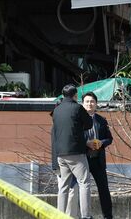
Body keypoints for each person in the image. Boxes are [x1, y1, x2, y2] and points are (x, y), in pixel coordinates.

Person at [51, 84, 94, 218]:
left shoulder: (56, 110)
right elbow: (89, 124)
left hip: (60, 154)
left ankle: (60, 215)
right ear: (75, 95)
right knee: (84, 182)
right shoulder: (77, 107)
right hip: (76, 152)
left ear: (63, 95)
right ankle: (86, 216)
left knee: (64, 185)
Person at [81, 92, 114, 219]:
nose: (90, 104)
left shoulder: (101, 120)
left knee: (104, 189)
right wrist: (86, 144)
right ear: (83, 104)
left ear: (96, 104)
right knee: (82, 189)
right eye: (87, 101)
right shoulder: (77, 119)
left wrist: (102, 143)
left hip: (98, 160)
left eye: (92, 101)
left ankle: (108, 216)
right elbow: (75, 138)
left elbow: (109, 138)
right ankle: (83, 215)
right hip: (83, 159)